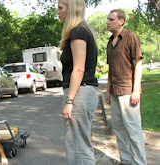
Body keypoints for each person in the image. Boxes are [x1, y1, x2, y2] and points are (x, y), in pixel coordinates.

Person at [57, 0, 98, 164]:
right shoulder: (81, 31)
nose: (58, 12)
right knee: (76, 143)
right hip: (83, 92)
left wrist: (70, 100)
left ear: (71, 9)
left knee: (78, 145)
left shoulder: (78, 32)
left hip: (80, 92)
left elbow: (79, 69)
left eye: (60, 8)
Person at [106, 9, 147, 165]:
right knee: (119, 129)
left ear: (121, 21)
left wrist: (136, 90)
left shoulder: (131, 37)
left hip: (128, 91)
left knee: (133, 130)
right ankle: (126, 160)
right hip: (115, 91)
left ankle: (139, 162)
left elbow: (138, 64)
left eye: (111, 19)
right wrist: (108, 91)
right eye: (108, 19)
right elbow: (110, 70)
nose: (108, 22)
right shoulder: (110, 42)